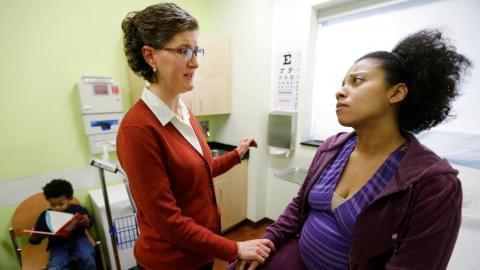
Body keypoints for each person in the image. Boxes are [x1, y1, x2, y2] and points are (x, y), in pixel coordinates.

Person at [235, 29, 472, 270]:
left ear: (396, 92)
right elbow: (298, 208)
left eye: (357, 81)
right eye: (342, 84)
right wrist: (268, 239)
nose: (340, 91)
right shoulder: (331, 148)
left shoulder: (432, 184)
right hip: (297, 259)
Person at [117, 3, 274, 270]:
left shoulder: (184, 112)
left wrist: (236, 154)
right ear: (150, 56)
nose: (195, 62)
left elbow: (199, 171)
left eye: (195, 50)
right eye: (183, 51)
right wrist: (234, 248)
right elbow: (168, 221)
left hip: (200, 251)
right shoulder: (138, 130)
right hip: (170, 262)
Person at [29, 179, 96, 270]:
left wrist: (87, 221)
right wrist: (34, 237)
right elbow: (37, 238)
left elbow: (90, 222)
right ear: (48, 201)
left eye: (61, 204)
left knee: (87, 256)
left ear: (70, 199)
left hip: (78, 239)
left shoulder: (78, 209)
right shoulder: (45, 215)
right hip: (57, 244)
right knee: (55, 266)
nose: (57, 207)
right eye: (53, 205)